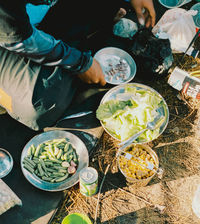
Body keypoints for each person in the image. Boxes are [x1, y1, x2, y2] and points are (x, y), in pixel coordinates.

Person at [0, 0, 156, 131]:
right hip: (10, 38)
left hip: (37, 15)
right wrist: (80, 63)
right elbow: (26, 41)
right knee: (39, 106)